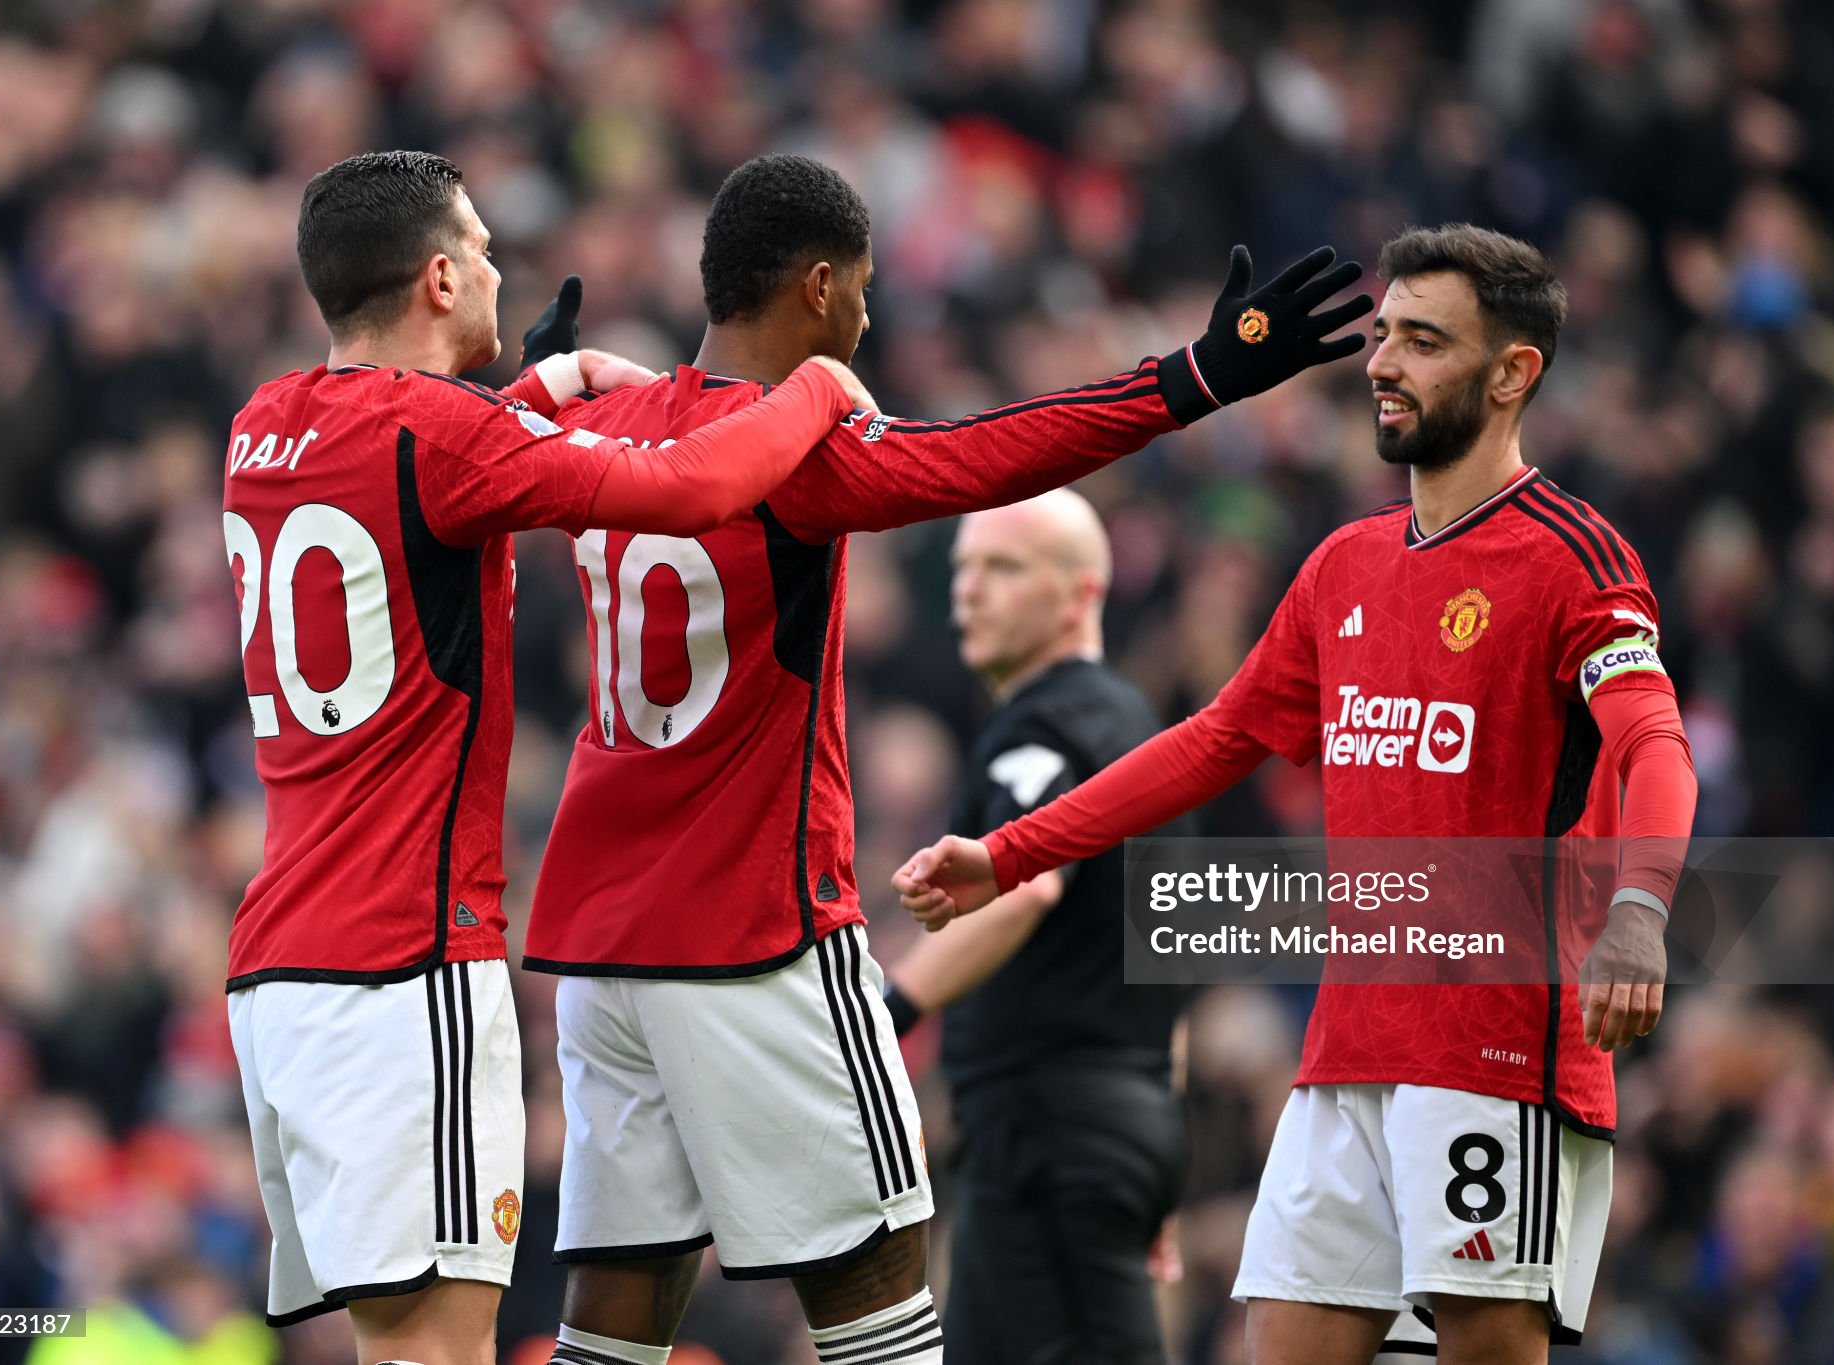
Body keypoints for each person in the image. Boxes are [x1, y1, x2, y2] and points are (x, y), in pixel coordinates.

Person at [517, 153, 1372, 1365]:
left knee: (616, 1294)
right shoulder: (796, 452)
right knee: (881, 1278)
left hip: (598, 948)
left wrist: (523, 377)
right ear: (819, 286)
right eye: (859, 293)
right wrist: (1196, 378)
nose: (865, 322)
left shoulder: (607, 425)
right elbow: (995, 454)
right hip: (754, 932)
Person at [894, 224, 1698, 1365]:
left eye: (1423, 342)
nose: (1380, 363)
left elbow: (1652, 741)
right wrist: (1011, 851)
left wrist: (1638, 908)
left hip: (1491, 1052)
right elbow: (1214, 739)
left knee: (1481, 1349)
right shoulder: (1343, 566)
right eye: (1381, 337)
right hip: (1344, 1053)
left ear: (1511, 374)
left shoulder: (1574, 558)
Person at [221, 149, 870, 1365]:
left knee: (394, 1347)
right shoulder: (445, 435)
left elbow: (415, 478)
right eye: (478, 248)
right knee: (441, 1352)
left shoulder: (261, 428)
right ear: (436, 280)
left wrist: (546, 384)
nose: (495, 268)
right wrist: (818, 388)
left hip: (280, 975)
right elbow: (688, 488)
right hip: (404, 967)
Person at [881, 490, 1194, 1365]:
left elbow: (1025, 889)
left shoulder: (1059, 720)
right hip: (1096, 1128)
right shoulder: (1137, 734)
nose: (968, 593)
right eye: (963, 569)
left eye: (1004, 568)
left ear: (1079, 593)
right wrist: (1154, 1156)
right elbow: (1174, 967)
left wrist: (883, 1013)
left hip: (1053, 1131)